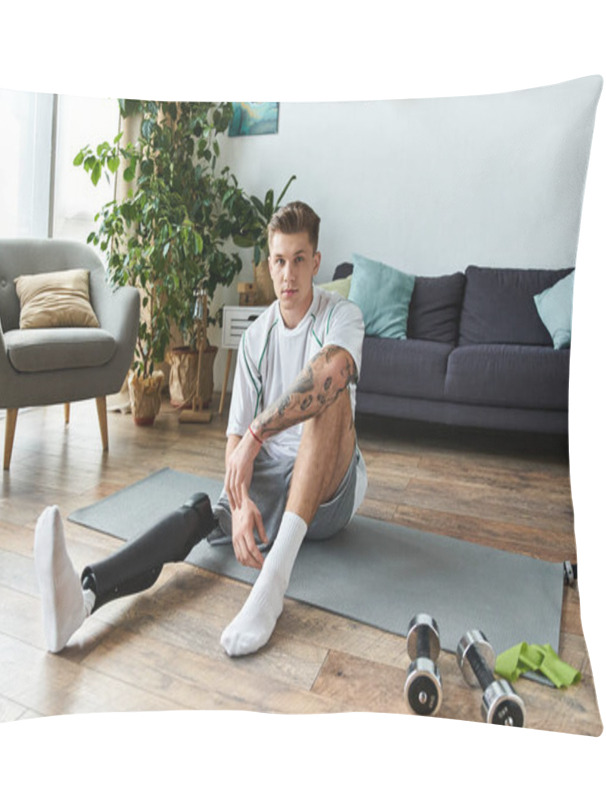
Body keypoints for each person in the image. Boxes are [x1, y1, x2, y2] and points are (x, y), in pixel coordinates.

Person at [34, 201, 367, 658]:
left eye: (299, 259)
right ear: (267, 263)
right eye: (279, 260)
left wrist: (256, 436)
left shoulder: (342, 315)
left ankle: (270, 587)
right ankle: (85, 595)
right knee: (200, 511)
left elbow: (331, 373)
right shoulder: (256, 338)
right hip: (272, 482)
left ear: (316, 263)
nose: (288, 274)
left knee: (328, 393)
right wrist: (242, 500)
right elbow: (234, 440)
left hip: (330, 490)